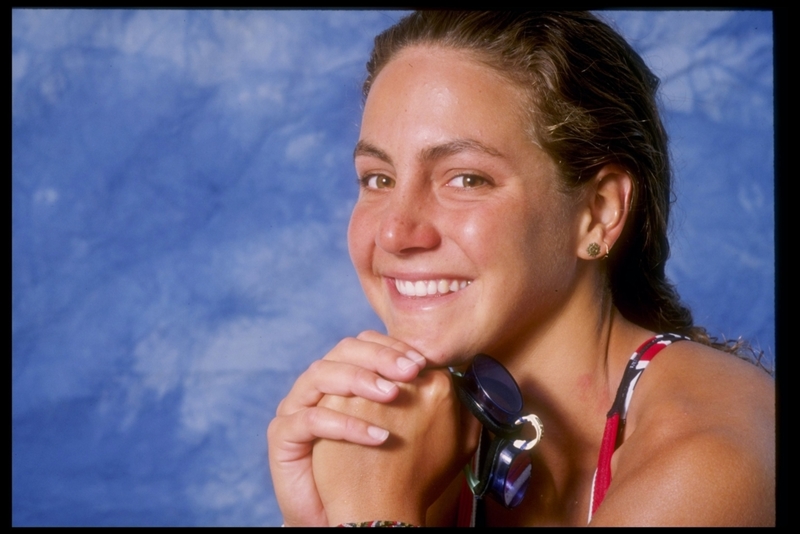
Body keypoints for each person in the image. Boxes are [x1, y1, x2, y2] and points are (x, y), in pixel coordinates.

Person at [267, 11, 774, 527]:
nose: (395, 234)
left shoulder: (710, 456)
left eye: (465, 179)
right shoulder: (415, 444)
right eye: (378, 179)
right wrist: (312, 515)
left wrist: (368, 511)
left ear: (598, 212)